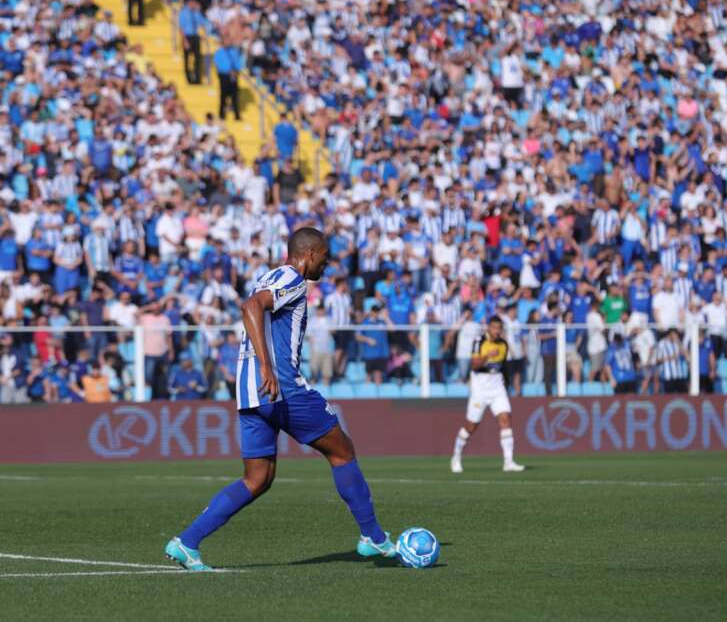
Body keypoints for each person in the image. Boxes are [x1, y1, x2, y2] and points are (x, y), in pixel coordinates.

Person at [165, 227, 396, 571]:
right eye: (325, 259)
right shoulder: (292, 279)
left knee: (258, 479)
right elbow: (251, 307)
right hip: (280, 387)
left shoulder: (269, 276)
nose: (327, 266)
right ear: (311, 254)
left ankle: (187, 542)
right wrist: (266, 367)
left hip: (248, 393)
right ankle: (373, 537)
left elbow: (256, 305)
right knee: (342, 450)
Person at [450, 316, 526, 474]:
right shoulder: (479, 342)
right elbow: (474, 365)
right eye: (494, 328)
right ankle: (456, 456)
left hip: (497, 387)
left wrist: (507, 385)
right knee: (471, 426)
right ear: (488, 328)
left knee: (505, 418)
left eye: (500, 328)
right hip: (480, 389)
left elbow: (503, 367)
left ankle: (508, 462)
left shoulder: (504, 344)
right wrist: (487, 356)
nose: (497, 331)